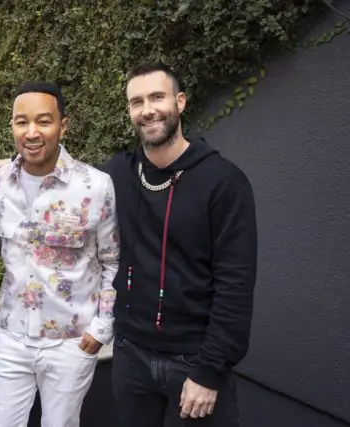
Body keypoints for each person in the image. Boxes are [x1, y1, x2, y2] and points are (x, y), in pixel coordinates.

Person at [106, 63, 257, 426]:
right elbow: (64, 185)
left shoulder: (224, 183)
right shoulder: (117, 175)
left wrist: (210, 371)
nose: (147, 110)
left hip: (195, 360)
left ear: (181, 101)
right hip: (130, 357)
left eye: (157, 97)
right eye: (136, 101)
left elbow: (235, 286)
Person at [0, 81, 120, 427]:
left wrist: (101, 328)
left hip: (71, 341)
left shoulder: (96, 186)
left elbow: (112, 260)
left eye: (43, 121)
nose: (32, 132)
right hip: (11, 335)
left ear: (63, 125)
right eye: (21, 121)